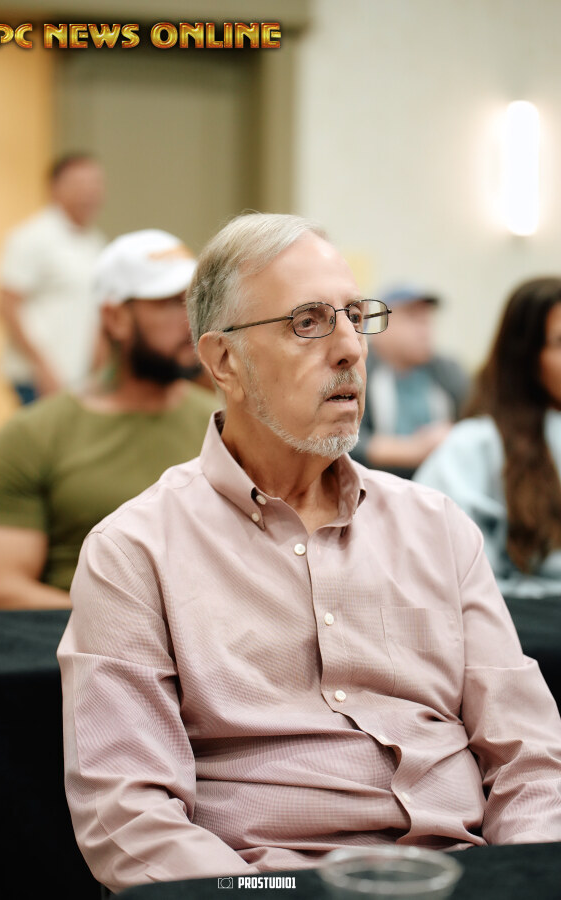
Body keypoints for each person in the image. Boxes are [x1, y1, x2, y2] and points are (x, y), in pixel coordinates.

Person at [58, 214, 561, 894]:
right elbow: (127, 815)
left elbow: (531, 757)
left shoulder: (437, 527)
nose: (351, 347)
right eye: (308, 323)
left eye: (355, 316)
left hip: (464, 876)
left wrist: (525, 876)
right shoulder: (135, 551)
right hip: (271, 885)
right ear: (224, 361)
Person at [0, 229, 217, 610]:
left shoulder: (226, 427)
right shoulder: (31, 436)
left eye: (195, 302)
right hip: (68, 643)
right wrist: (139, 627)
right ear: (115, 318)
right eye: (169, 303)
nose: (191, 319)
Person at [415, 277, 561, 600]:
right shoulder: (475, 445)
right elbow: (455, 579)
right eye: (560, 342)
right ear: (526, 357)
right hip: (524, 613)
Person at [0, 153, 106, 405]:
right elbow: (6, 307)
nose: (89, 192)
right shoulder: (31, 237)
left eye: (95, 183)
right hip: (38, 378)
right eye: (80, 184)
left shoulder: (94, 242)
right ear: (54, 188)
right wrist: (41, 367)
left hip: (79, 378)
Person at [349, 285, 468, 479]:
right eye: (413, 319)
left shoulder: (447, 371)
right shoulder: (357, 370)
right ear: (381, 325)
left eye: (427, 320)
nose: (425, 331)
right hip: (376, 482)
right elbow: (343, 438)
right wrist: (413, 450)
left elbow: (476, 423)